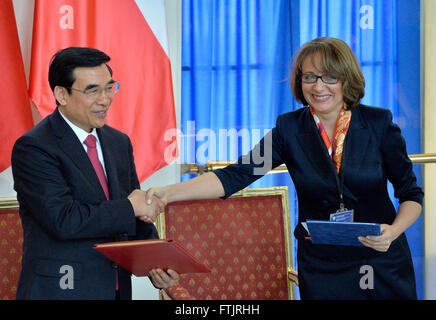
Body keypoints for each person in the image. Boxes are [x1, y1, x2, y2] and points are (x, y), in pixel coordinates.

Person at [145, 37, 423, 300]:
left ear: (346, 80)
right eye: (309, 77)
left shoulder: (379, 123)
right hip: (323, 265)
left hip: (380, 259)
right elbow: (236, 175)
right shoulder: (289, 129)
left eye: (329, 77)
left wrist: (394, 231)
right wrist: (167, 193)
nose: (318, 86)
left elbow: (412, 194)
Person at [11, 47, 179, 300]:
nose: (105, 99)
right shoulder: (34, 147)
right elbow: (63, 220)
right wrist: (130, 208)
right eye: (93, 91)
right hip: (61, 290)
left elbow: (134, 212)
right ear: (61, 94)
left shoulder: (118, 142)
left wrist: (157, 261)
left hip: (115, 289)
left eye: (109, 88)